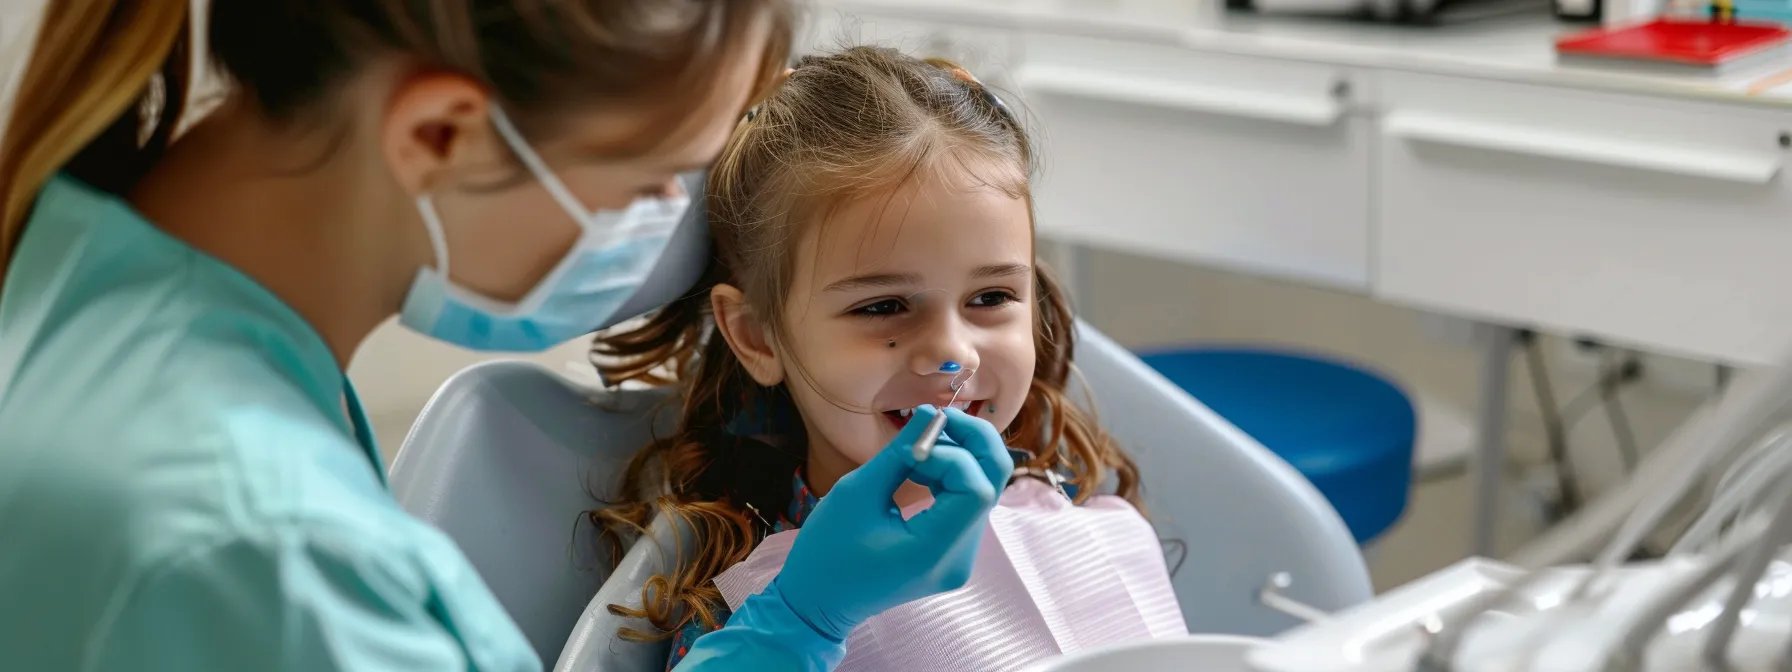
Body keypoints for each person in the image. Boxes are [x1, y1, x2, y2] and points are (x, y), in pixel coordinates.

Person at [0, 2, 1010, 671]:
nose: (677, 228)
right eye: (653, 178)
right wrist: (795, 625)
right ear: (441, 134)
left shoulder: (95, 273)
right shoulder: (261, 551)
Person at [585, 47, 1169, 671]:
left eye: (991, 297)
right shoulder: (762, 615)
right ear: (757, 337)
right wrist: (807, 618)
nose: (953, 354)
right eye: (883, 306)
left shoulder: (1076, 512)